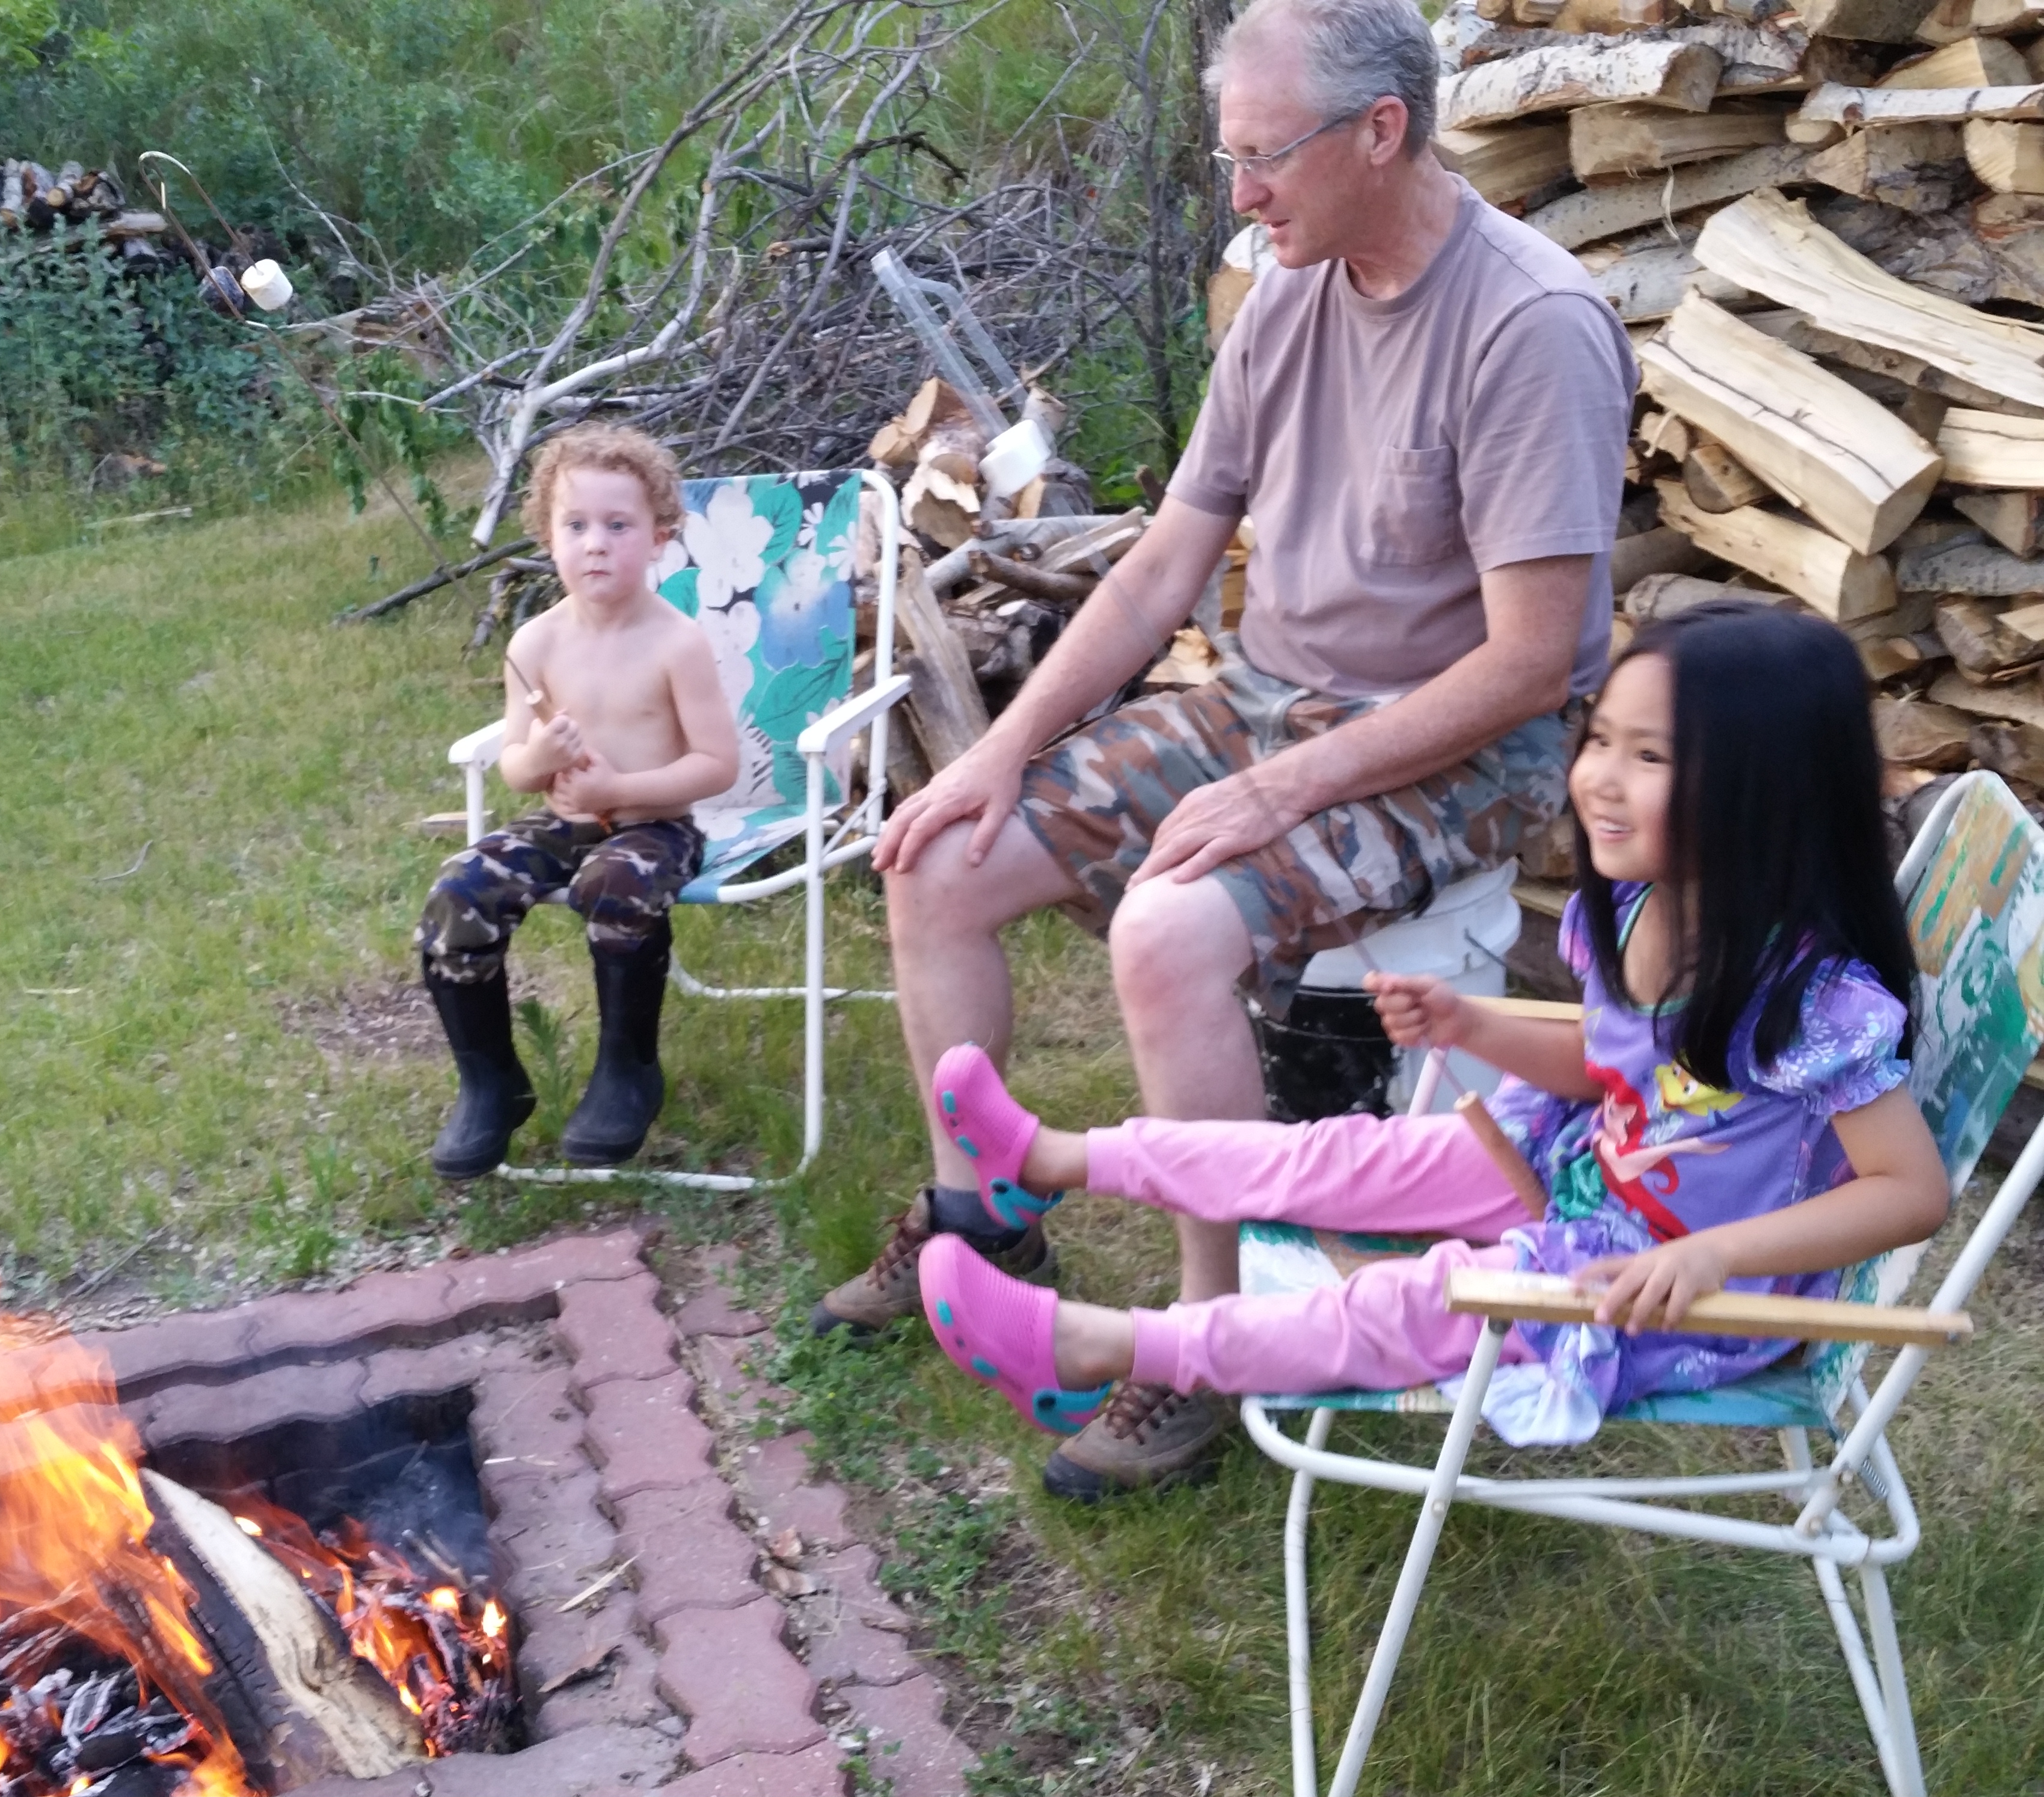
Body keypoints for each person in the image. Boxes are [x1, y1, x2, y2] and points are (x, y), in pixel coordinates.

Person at [817, 0, 1639, 1500]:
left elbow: (1531, 661)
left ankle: (1204, 1342)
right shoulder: (1283, 293)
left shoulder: (1530, 326)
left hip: (1461, 748)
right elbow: (1158, 571)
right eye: (1227, 159)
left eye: (1265, 158)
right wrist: (996, 749)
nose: (1242, 194)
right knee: (938, 859)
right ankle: (984, 1216)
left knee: (1168, 929)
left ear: (1381, 131)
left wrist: (1279, 786)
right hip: (1268, 697)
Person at [912, 604, 1950, 1444]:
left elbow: (1909, 1192)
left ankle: (1101, 1348)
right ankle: (1047, 1160)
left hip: (1668, 1296)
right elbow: (1609, 1066)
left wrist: (1713, 1258)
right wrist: (1470, 1026)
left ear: (1768, 794)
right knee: (1343, 1156)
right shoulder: (1644, 911)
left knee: (1425, 1297)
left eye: (1650, 756)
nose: (1597, 775)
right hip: (1585, 1175)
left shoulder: (1813, 1002)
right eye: (1599, 739)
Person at [417, 425, 738, 1176]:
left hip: (655, 826)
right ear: (547, 536)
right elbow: (517, 769)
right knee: (459, 890)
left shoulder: (676, 643)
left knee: (613, 882)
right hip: (558, 824)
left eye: (619, 526)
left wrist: (617, 791)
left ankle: (627, 1071)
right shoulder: (534, 644)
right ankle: (491, 1082)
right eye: (577, 525)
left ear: (659, 540)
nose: (596, 544)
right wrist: (543, 758)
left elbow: (717, 765)